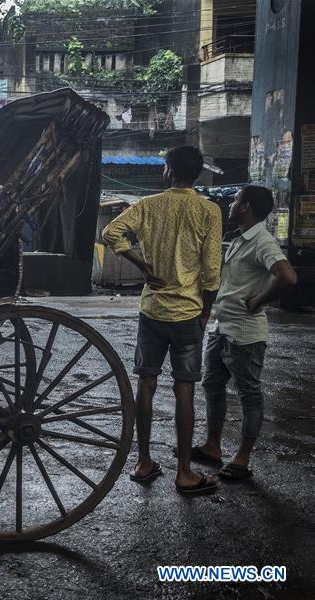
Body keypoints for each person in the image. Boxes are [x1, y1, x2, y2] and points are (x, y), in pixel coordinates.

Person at [102, 145, 223, 495]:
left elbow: (111, 233)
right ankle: (185, 472)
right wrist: (206, 308)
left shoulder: (149, 205)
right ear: (198, 174)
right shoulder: (208, 210)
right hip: (188, 313)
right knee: (184, 389)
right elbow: (212, 270)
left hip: (152, 310)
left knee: (146, 384)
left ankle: (143, 462)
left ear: (168, 171)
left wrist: (142, 266)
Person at [193, 186, 297, 480]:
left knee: (249, 394)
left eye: (236, 200)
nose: (230, 204)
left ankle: (242, 459)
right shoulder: (241, 238)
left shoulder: (262, 241)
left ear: (247, 206)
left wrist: (259, 300)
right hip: (222, 327)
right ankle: (213, 446)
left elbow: (288, 277)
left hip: (245, 333)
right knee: (212, 387)